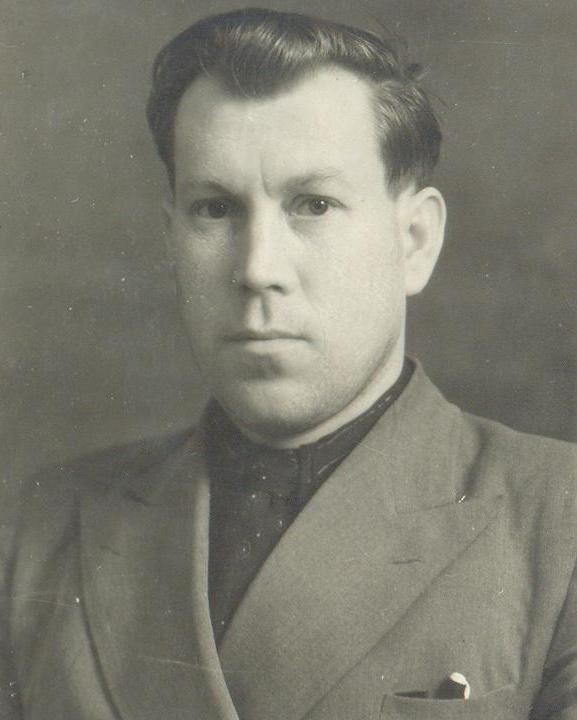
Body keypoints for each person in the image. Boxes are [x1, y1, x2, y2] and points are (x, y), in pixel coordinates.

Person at [2, 7, 576, 720]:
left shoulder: (557, 525)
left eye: (314, 204)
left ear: (415, 241)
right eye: (215, 209)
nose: (257, 268)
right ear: (172, 238)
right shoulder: (43, 528)